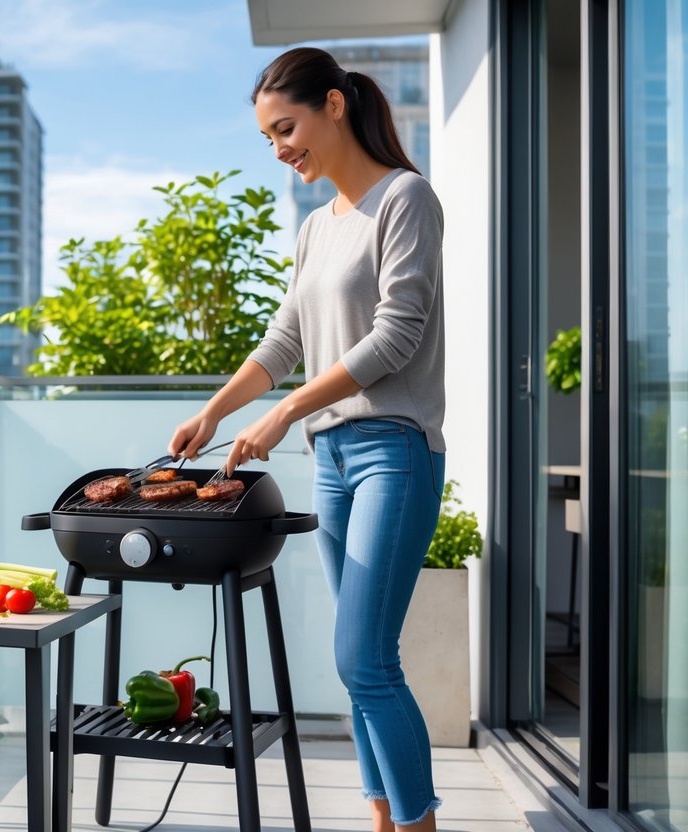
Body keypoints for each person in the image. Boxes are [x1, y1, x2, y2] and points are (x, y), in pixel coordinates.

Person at [169, 47, 446, 832]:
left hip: (395, 448)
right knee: (359, 667)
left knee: (365, 660)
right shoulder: (317, 228)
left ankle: (418, 826)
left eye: (284, 128)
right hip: (332, 461)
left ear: (334, 105)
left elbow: (395, 338)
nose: (279, 148)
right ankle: (382, 821)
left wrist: (284, 414)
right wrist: (217, 410)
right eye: (267, 138)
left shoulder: (405, 199)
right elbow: (282, 340)